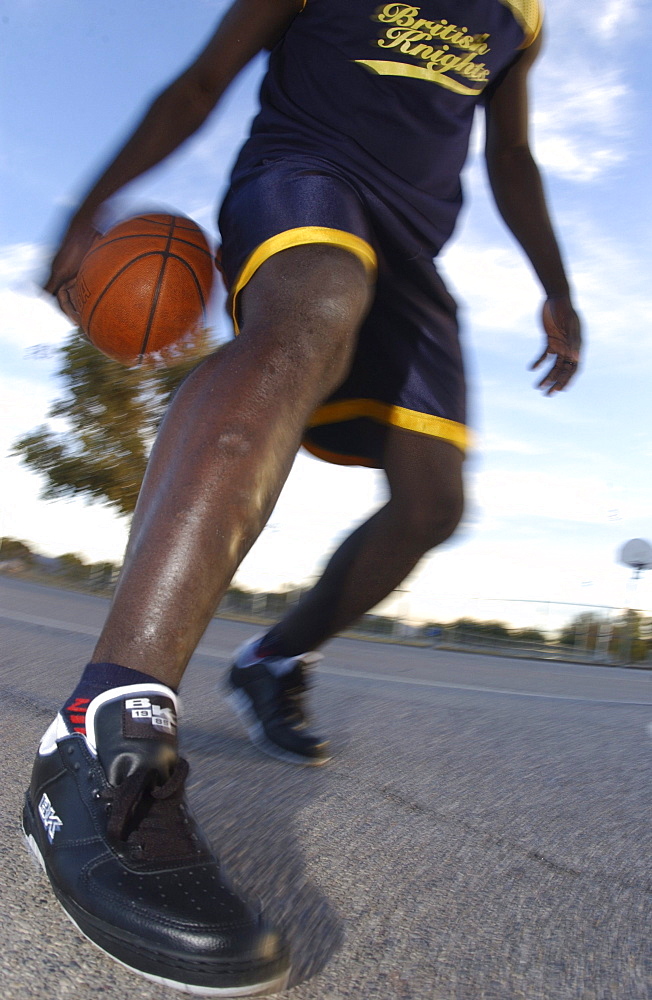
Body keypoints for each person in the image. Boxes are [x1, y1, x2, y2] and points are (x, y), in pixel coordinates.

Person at [24, 0, 582, 995]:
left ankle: (274, 657)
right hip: (300, 181)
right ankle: (101, 727)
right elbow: (202, 79)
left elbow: (511, 157)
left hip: (411, 250)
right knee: (314, 300)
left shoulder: (520, 17)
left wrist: (556, 283)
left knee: (430, 502)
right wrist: (90, 203)